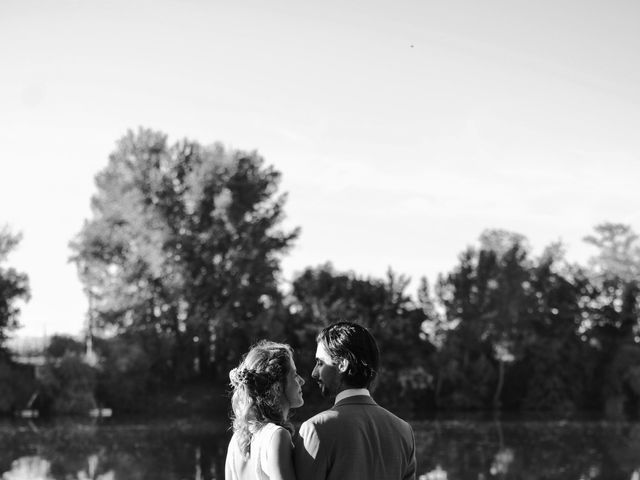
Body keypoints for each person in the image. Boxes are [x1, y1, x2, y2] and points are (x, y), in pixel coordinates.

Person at [294, 321, 417, 480]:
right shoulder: (404, 431)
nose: (313, 373)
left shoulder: (316, 429)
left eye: (320, 363)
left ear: (342, 365)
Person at [225, 340, 305, 480]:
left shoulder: (236, 440)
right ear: (278, 387)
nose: (302, 381)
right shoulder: (276, 436)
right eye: (295, 375)